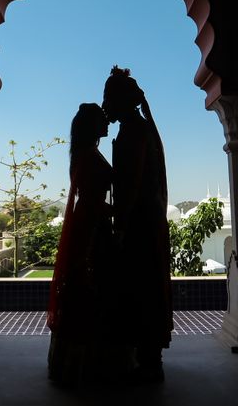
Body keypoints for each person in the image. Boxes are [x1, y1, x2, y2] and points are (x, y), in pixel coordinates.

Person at [102, 66, 172, 382]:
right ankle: (147, 354)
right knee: (145, 284)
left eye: (109, 97)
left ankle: (146, 356)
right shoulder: (137, 128)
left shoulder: (133, 131)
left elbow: (129, 184)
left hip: (140, 222)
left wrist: (119, 225)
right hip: (147, 219)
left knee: (140, 285)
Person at [47, 103, 118, 385]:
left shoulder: (85, 153)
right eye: (102, 119)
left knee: (85, 288)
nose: (107, 121)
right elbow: (90, 200)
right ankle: (87, 366)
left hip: (91, 221)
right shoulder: (89, 156)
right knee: (88, 286)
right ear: (92, 126)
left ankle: (78, 363)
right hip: (90, 225)